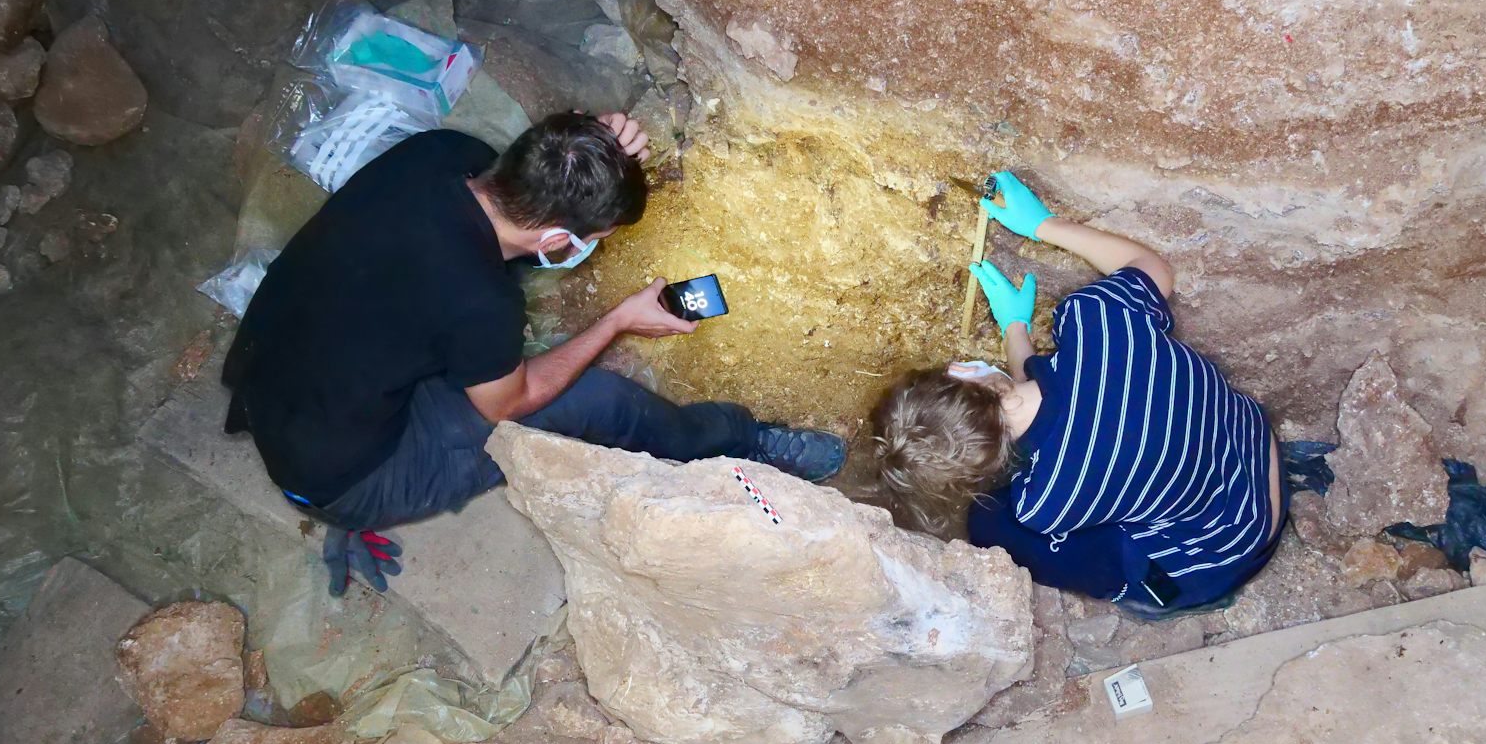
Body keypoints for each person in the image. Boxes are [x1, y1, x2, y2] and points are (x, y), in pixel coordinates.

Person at [222, 111, 846, 595]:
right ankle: (740, 442)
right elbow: (510, 402)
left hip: (272, 377)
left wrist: (593, 147)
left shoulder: (437, 154)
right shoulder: (477, 302)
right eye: (590, 240)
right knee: (601, 402)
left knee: (475, 322)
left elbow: (533, 192)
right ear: (555, 238)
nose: (588, 248)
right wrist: (617, 322)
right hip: (348, 478)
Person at [871, 172, 1285, 619]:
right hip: (1252, 446)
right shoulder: (1098, 322)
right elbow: (1155, 270)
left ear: (994, 462)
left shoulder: (1046, 503)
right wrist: (1042, 227)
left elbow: (1060, 437)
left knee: (990, 525)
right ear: (965, 370)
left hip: (1229, 549)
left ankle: (1164, 599)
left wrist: (1016, 334)